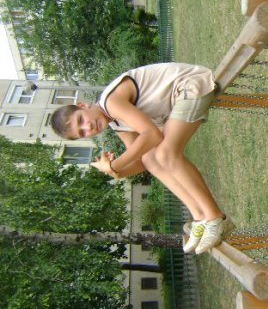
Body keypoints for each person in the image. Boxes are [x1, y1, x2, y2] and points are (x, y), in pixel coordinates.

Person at [51, 62, 234, 254]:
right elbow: (142, 162)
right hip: (179, 101)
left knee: (165, 154)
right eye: (82, 133)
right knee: (153, 160)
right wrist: (115, 172)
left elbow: (152, 135)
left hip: (190, 85)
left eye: (81, 120)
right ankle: (200, 217)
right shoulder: (116, 123)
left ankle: (215, 217)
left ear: (82, 105)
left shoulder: (110, 102)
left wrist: (115, 164)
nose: (88, 128)